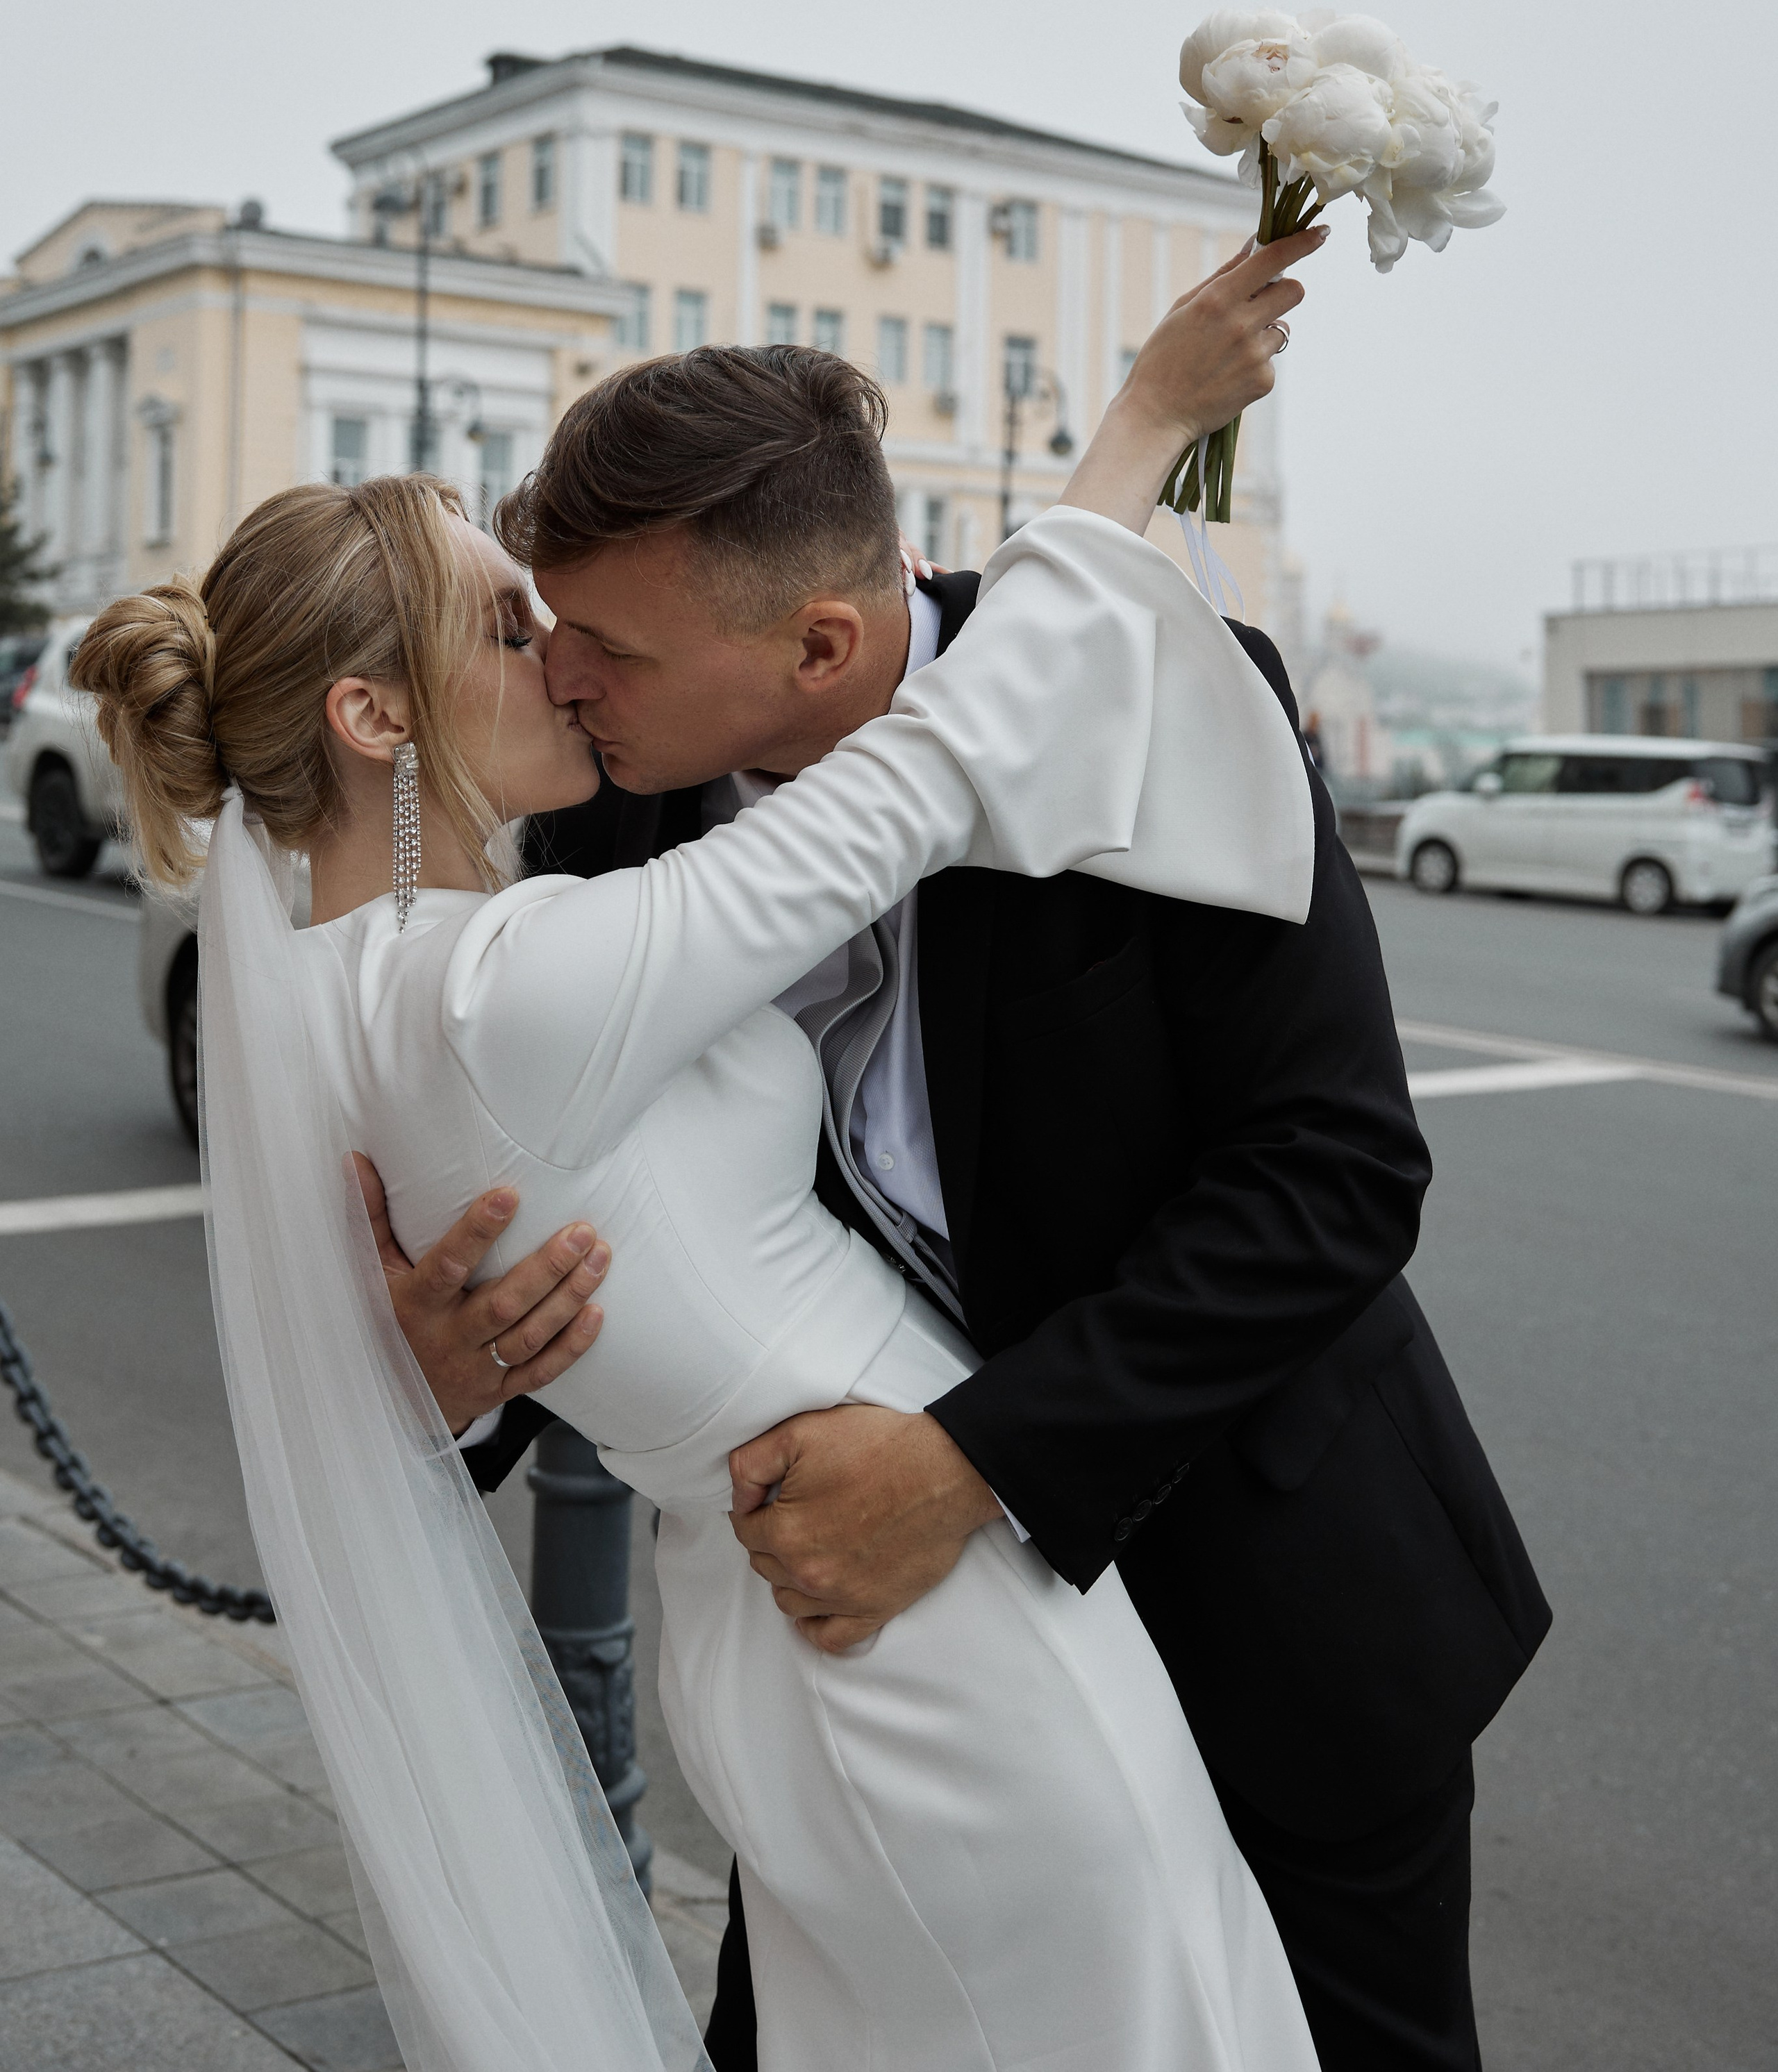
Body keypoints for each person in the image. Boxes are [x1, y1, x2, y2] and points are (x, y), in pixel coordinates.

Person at [76, 235, 1330, 2072]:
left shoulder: (379, 993)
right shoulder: (491, 994)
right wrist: (1141, 420)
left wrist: (428, 1379)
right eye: (514, 630)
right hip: (933, 1650)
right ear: (374, 717)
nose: (568, 666)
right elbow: (925, 775)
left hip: (811, 1627)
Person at [399, 286, 1551, 2072]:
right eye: (556, 633)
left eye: (607, 646)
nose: (562, 677)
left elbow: (1330, 1165)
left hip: (1267, 1611)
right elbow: (606, 1198)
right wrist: (457, 1370)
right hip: (879, 1697)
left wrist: (973, 1465)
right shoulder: (610, 802)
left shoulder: (1168, 697)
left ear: (819, 645)